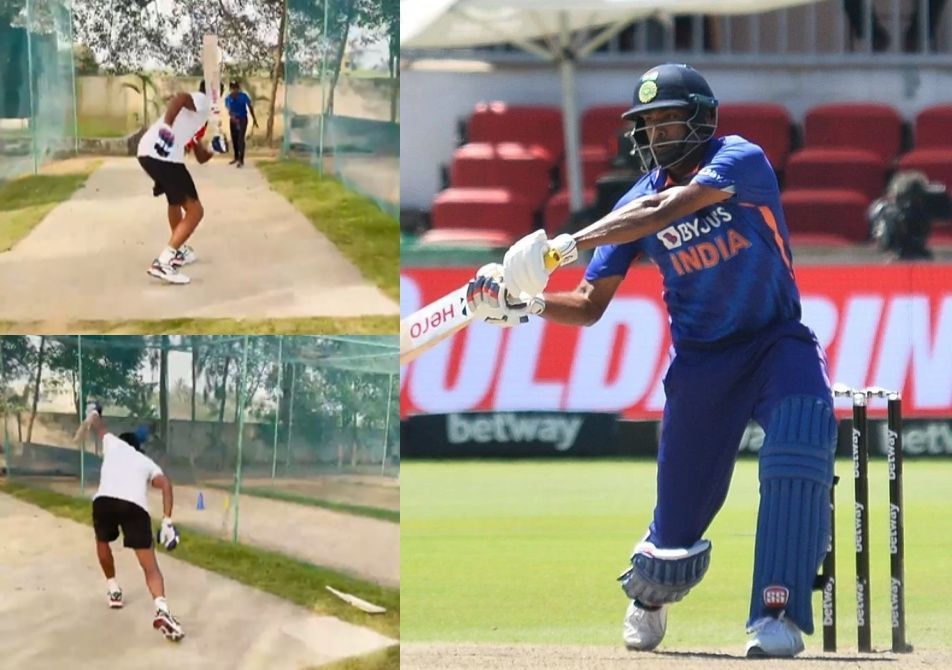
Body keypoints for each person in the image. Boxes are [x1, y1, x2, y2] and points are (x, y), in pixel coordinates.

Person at [466, 63, 836, 658]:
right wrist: (524, 302)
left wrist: (567, 243)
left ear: (701, 119)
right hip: (701, 366)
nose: (659, 133)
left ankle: (777, 616)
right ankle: (649, 595)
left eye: (669, 119)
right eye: (649, 124)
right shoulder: (632, 203)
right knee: (675, 536)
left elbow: (674, 207)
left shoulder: (741, 159)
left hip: (775, 342)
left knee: (801, 441)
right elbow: (588, 306)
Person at [82, 401, 185, 642]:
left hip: (104, 501)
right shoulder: (146, 462)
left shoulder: (113, 443)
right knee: (151, 567)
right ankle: (162, 609)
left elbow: (98, 424)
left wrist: (93, 410)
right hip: (135, 507)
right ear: (139, 448)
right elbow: (166, 485)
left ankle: (113, 589)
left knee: (102, 541)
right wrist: (167, 521)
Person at [136, 79, 227, 285]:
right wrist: (167, 125)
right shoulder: (202, 100)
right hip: (163, 155)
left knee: (175, 201)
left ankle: (177, 252)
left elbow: (200, 157)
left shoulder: (200, 118)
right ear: (216, 95)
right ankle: (164, 261)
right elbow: (180, 98)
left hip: (149, 153)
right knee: (196, 211)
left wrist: (214, 149)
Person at [224, 81, 258, 168]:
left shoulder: (243, 96)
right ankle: (236, 157)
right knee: (234, 139)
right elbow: (229, 110)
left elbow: (250, 107)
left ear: (238, 89)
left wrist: (254, 119)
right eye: (232, 88)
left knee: (240, 139)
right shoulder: (228, 98)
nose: (234, 90)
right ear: (230, 89)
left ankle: (241, 159)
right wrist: (234, 119)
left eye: (236, 88)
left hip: (243, 119)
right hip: (233, 120)